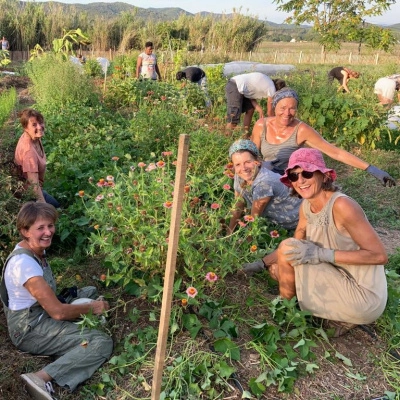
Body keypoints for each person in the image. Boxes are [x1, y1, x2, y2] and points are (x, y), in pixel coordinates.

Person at [245, 148, 388, 337]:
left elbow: (379, 256)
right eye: (294, 176)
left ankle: (287, 314)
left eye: (307, 173)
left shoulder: (342, 206)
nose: (301, 180)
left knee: (287, 259)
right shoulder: (307, 205)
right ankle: (320, 312)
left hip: (363, 294)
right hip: (335, 274)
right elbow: (296, 243)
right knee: (278, 270)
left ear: (324, 175)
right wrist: (263, 263)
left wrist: (321, 254)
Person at [0, 202, 113, 399]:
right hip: (29, 329)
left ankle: (67, 345)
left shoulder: (34, 250)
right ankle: (41, 378)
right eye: (40, 228)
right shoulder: (24, 264)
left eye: (50, 225)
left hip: (39, 313)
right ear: (24, 231)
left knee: (90, 290)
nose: (48, 232)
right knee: (100, 341)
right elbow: (58, 313)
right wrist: (93, 308)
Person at [251, 87, 396, 186]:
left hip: (291, 179)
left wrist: (372, 169)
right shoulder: (260, 125)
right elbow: (251, 155)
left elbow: (335, 152)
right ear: (274, 107)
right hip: (264, 175)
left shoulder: (301, 130)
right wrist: (262, 165)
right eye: (282, 108)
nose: (287, 113)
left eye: (292, 108)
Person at [227, 139, 302, 234]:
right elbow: (238, 205)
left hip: (292, 222)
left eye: (248, 162)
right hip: (273, 221)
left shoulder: (264, 182)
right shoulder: (239, 175)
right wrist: (228, 233)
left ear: (258, 161)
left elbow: (254, 218)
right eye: (238, 164)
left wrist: (247, 242)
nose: (243, 168)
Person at [14, 108, 61, 208]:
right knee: (56, 209)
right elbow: (33, 185)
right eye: (34, 125)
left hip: (34, 188)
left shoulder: (33, 137)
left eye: (40, 122)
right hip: (29, 195)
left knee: (57, 205)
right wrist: (43, 205)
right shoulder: (29, 152)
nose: (39, 127)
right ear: (25, 128)